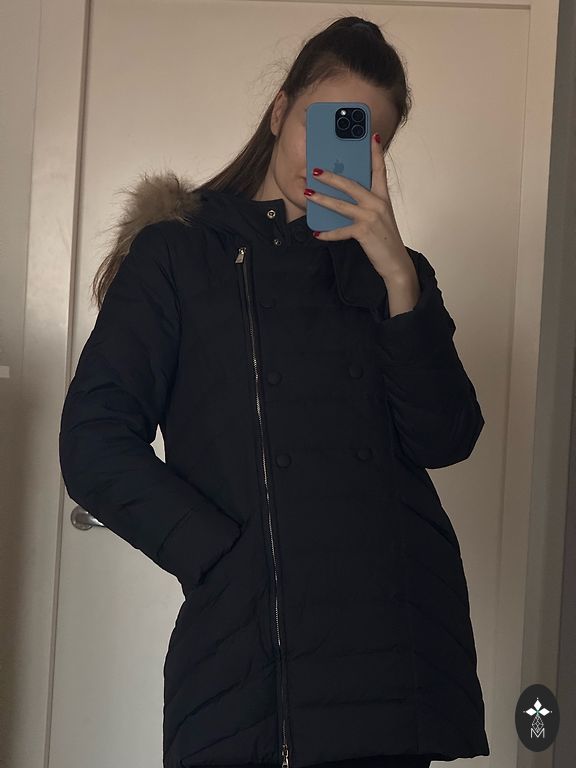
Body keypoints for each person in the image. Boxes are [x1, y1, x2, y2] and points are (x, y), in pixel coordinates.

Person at [59, 15, 490, 768]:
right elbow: (94, 443)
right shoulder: (180, 255)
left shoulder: (396, 276)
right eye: (322, 124)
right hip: (252, 656)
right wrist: (221, 556)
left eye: (365, 138)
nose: (329, 154)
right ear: (280, 111)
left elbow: (446, 438)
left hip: (392, 646)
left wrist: (398, 276)